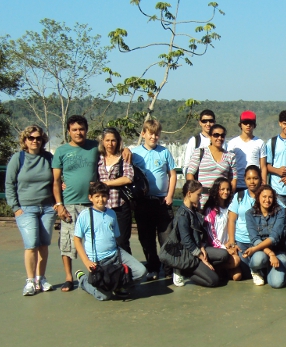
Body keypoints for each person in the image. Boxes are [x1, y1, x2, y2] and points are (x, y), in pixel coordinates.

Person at [52, 115, 105, 292]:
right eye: (74, 129)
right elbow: (56, 180)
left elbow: (113, 148)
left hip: (92, 204)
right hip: (70, 203)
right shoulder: (61, 151)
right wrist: (59, 204)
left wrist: (126, 149)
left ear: (86, 130)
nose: (78, 133)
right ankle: (69, 277)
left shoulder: (95, 147)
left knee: (93, 241)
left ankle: (94, 273)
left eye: (81, 129)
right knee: (67, 241)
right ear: (69, 131)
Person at [73, 181, 146, 300]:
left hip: (116, 254)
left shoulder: (112, 213)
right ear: (90, 198)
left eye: (103, 196)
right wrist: (86, 261)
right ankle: (83, 280)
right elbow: (77, 239)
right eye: (97, 196)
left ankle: (117, 286)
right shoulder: (85, 215)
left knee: (141, 271)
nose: (100, 199)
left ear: (108, 197)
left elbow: (115, 235)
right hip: (98, 260)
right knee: (104, 296)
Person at [5, 125, 55, 295]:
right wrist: (15, 208)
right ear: (25, 140)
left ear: (42, 140)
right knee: (31, 244)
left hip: (47, 208)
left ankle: (41, 278)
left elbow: (56, 180)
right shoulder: (18, 158)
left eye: (38, 138)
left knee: (44, 244)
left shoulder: (48, 158)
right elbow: (9, 184)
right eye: (31, 138)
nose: (35, 141)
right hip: (26, 208)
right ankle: (30, 281)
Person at [131, 119, 177, 281]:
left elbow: (172, 174)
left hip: (162, 201)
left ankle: (169, 269)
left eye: (156, 134)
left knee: (166, 237)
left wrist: (170, 195)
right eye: (150, 134)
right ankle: (153, 267)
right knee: (146, 238)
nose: (154, 137)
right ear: (143, 134)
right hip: (143, 202)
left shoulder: (164, 152)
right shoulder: (135, 154)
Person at [171, 180, 230, 288]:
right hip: (189, 254)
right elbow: (186, 241)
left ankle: (202, 269)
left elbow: (199, 233)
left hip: (198, 249)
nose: (200, 197)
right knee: (213, 281)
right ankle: (184, 269)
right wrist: (202, 257)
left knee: (223, 254)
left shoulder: (193, 210)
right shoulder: (182, 215)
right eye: (198, 195)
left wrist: (202, 245)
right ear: (189, 194)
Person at [96, 127, 134, 253]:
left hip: (120, 205)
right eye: (107, 140)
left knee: (122, 241)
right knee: (104, 240)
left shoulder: (123, 158)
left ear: (118, 141)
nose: (110, 144)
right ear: (102, 141)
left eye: (113, 140)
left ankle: (126, 265)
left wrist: (106, 184)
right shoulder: (98, 158)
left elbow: (128, 178)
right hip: (102, 206)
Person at [226, 165, 267, 280]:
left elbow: (283, 211)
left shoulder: (265, 196)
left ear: (260, 179)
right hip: (241, 243)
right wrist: (232, 242)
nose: (252, 182)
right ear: (244, 179)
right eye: (249, 179)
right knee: (245, 273)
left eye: (255, 178)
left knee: (260, 266)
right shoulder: (239, 196)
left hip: (259, 242)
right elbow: (232, 220)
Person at [243, 184, 286, 288]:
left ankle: (271, 270)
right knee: (258, 259)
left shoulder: (280, 211)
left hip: (277, 250)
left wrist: (255, 249)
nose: (267, 200)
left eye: (270, 197)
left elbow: (274, 237)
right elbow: (255, 238)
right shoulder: (249, 214)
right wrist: (270, 253)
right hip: (261, 251)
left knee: (276, 283)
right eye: (264, 196)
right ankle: (255, 270)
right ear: (258, 197)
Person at [185, 123, 236, 208]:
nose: (219, 138)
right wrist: (194, 195)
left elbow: (233, 179)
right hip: (202, 199)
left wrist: (229, 197)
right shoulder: (200, 152)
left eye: (222, 135)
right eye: (216, 135)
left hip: (221, 199)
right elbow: (190, 174)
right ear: (210, 136)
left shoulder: (230, 156)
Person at [226, 110, 267, 191]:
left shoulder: (260, 143)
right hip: (236, 184)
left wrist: (264, 184)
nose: (248, 125)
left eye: (251, 123)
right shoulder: (232, 143)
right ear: (240, 125)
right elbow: (228, 165)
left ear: (254, 125)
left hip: (255, 184)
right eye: (245, 123)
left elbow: (263, 166)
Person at [203, 177, 234, 260]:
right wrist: (223, 247)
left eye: (228, 189)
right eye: (222, 189)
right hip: (216, 249)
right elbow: (210, 235)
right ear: (216, 190)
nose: (226, 192)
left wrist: (230, 244)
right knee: (236, 261)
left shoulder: (230, 208)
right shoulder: (210, 210)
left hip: (228, 245)